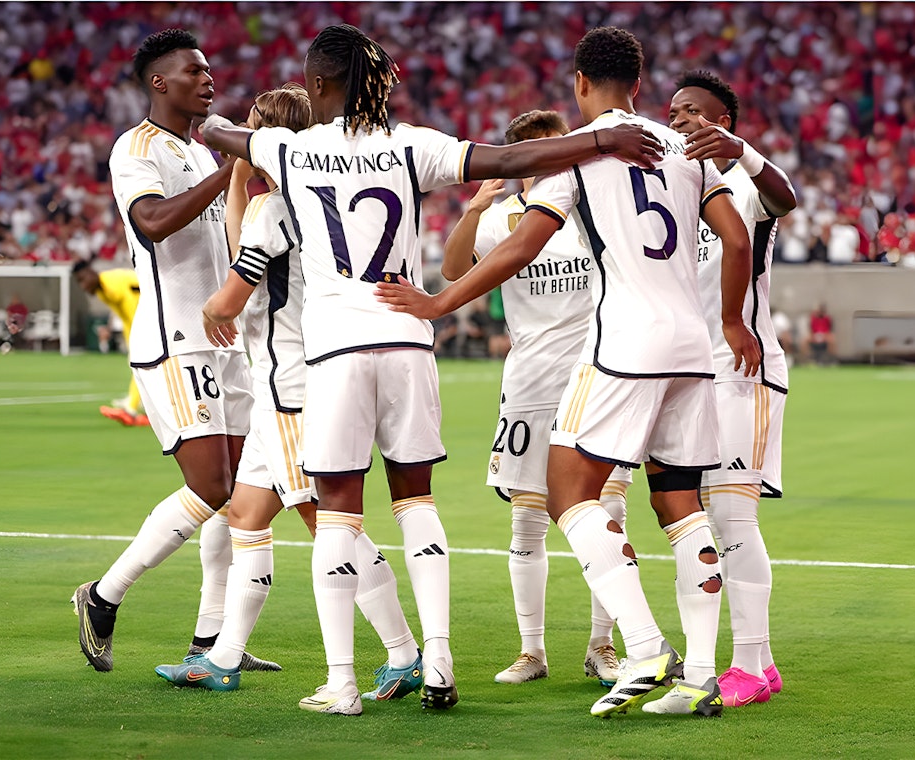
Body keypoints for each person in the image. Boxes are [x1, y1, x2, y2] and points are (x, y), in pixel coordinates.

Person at [201, 23, 663, 715]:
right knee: (416, 502)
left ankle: (342, 683)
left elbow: (225, 136)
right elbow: (513, 160)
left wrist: (207, 120)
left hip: (336, 350)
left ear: (320, 84)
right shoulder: (414, 144)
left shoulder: (289, 150)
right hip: (409, 340)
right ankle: (439, 660)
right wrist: (600, 139)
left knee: (337, 513)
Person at [375, 26, 760, 718]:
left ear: (580, 83)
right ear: (640, 86)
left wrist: (437, 303)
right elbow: (736, 237)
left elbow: (522, 245)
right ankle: (700, 675)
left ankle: (643, 645)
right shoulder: (684, 147)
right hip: (693, 349)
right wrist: (732, 321)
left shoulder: (581, 153)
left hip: (625, 345)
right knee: (679, 504)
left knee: (567, 492)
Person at [153, 84, 425, 704]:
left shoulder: (275, 211)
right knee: (246, 514)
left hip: (294, 389)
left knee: (329, 522)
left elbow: (228, 293)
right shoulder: (311, 205)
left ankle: (404, 651)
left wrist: (215, 303)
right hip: (284, 384)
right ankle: (222, 657)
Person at [72, 28, 267, 677]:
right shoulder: (137, 148)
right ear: (160, 82)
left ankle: (210, 641)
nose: (209, 79)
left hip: (230, 341)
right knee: (211, 483)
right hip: (175, 339)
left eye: (210, 70)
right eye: (194, 71)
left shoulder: (206, 148)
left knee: (240, 490)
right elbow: (152, 224)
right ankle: (103, 596)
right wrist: (226, 176)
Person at [440, 109, 630, 688]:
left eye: (561, 149)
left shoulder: (591, 209)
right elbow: (452, 273)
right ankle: (532, 651)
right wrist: (473, 208)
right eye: (542, 153)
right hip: (528, 380)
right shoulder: (502, 221)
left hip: (594, 375)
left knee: (609, 510)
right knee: (527, 521)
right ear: (523, 162)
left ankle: (604, 644)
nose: (554, 161)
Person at [662, 69, 797, 709]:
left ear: (727, 123)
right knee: (713, 516)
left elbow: (787, 197)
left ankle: (743, 666)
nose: (682, 117)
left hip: (745, 367)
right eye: (674, 109)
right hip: (692, 372)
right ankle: (761, 662)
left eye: (697, 111)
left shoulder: (743, 183)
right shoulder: (670, 186)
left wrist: (739, 152)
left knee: (735, 518)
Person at [72, 259, 150, 427]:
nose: (83, 286)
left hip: (150, 319)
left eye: (83, 280)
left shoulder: (113, 283)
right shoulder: (101, 290)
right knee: (138, 362)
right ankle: (143, 402)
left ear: (91, 273)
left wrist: (138, 334)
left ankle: (130, 408)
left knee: (142, 364)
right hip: (139, 321)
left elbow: (134, 308)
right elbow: (123, 314)